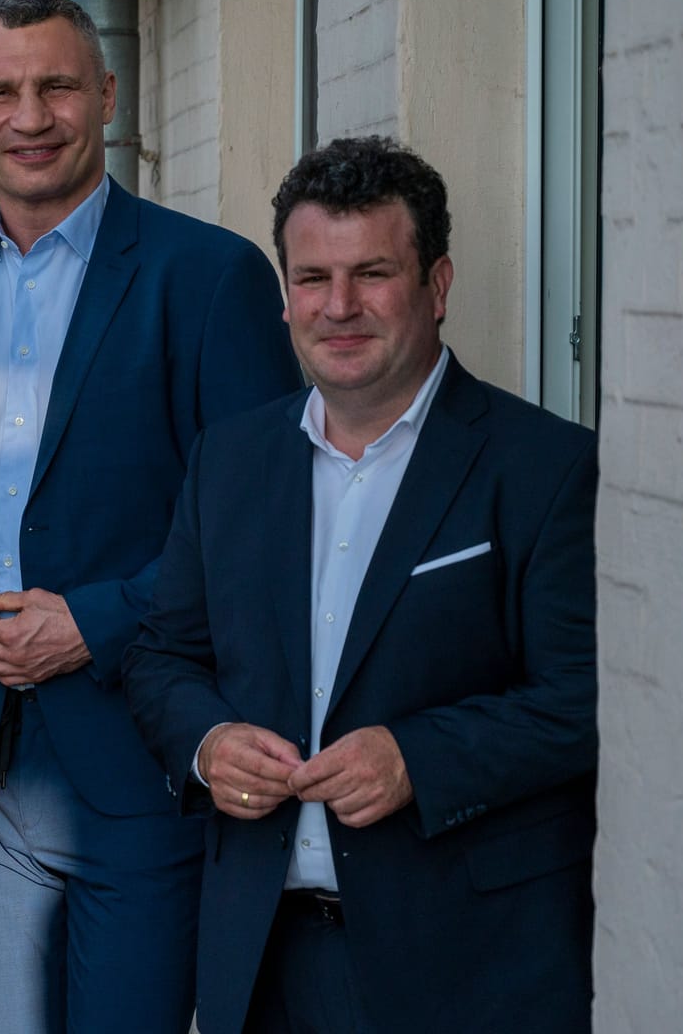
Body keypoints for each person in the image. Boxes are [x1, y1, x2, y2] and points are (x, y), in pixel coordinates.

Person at [0, 0, 302, 1034]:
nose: (32, 116)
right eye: (2, 92)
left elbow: (265, 524)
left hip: (139, 765)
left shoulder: (210, 278)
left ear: (106, 95)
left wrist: (97, 620)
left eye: (58, 86)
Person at [124, 136, 598, 1033]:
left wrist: (419, 758)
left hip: (464, 961)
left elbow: (581, 700)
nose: (339, 306)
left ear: (438, 284)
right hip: (263, 959)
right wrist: (209, 740)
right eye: (312, 278)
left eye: (372, 273)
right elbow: (162, 658)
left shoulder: (543, 465)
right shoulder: (229, 459)